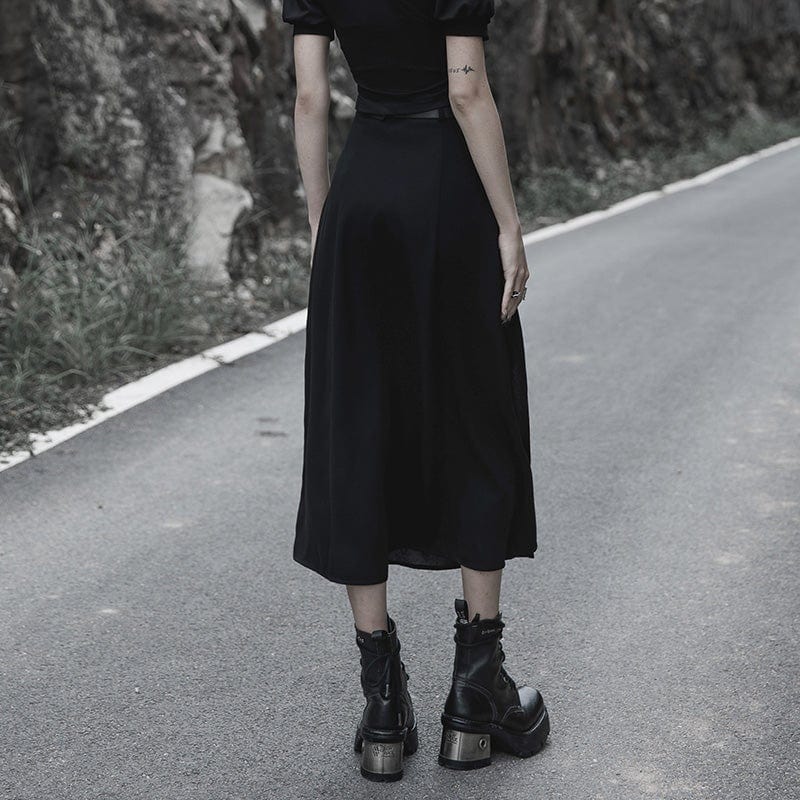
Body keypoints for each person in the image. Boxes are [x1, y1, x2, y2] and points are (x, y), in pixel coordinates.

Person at [282, 0, 549, 781]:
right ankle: (474, 697)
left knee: (359, 426)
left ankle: (383, 706)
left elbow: (310, 98)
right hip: (448, 194)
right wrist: (508, 224)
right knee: (477, 419)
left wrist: (324, 222)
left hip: (362, 193)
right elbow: (466, 91)